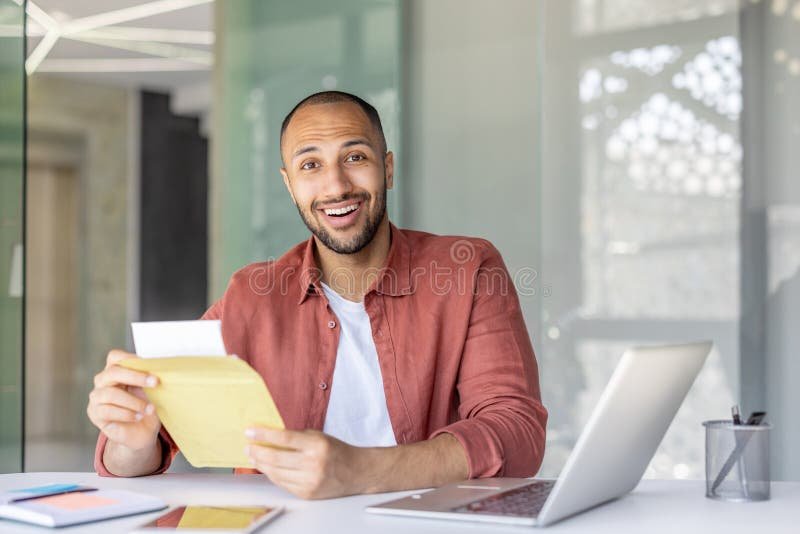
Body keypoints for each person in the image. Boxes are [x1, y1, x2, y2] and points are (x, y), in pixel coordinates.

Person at [87, 91, 547, 499]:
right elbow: (139, 454)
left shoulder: (468, 269)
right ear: (290, 184)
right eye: (311, 165)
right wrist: (133, 439)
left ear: (387, 168)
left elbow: (516, 431)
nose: (336, 186)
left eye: (355, 157)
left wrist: (362, 470)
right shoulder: (250, 294)